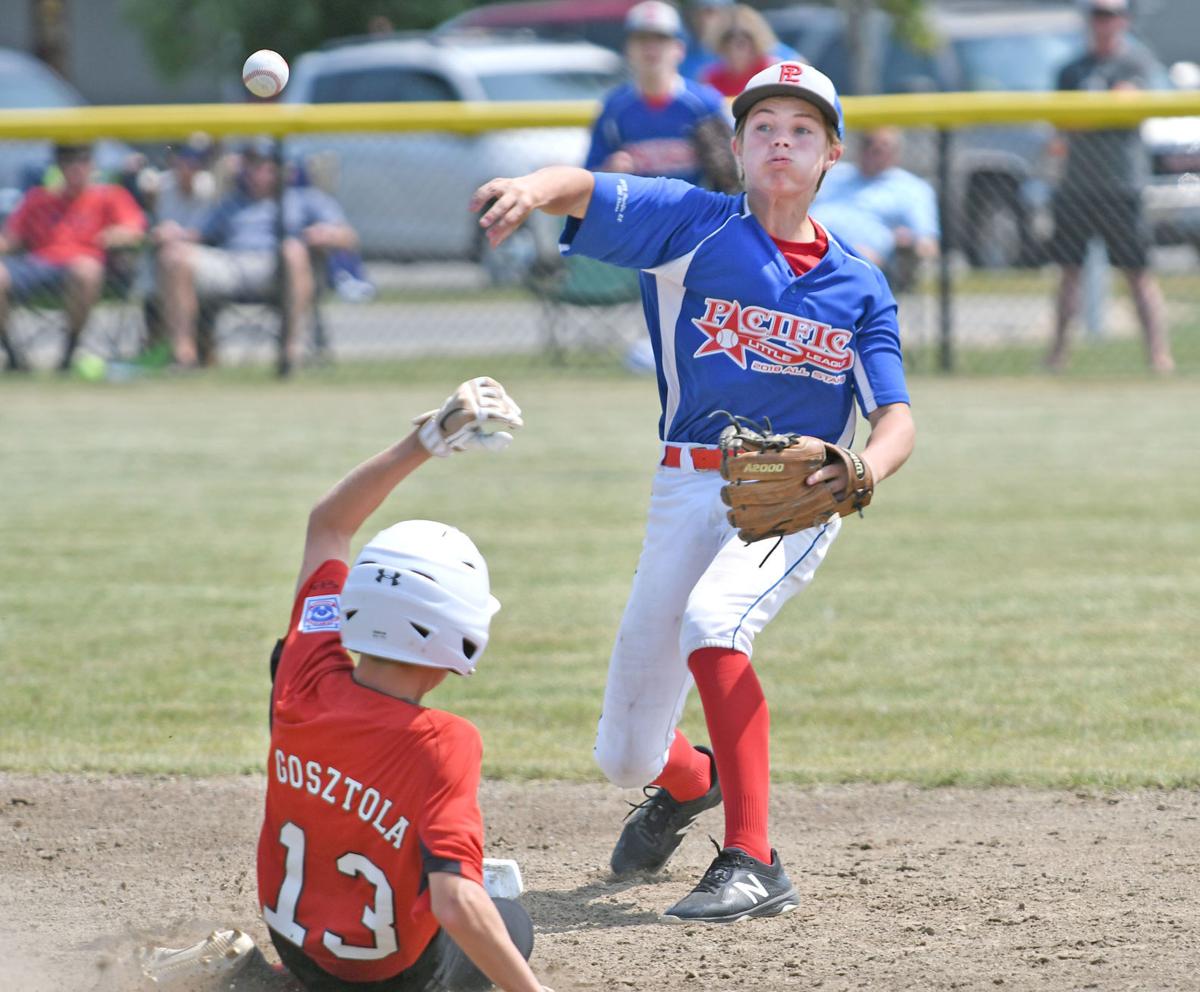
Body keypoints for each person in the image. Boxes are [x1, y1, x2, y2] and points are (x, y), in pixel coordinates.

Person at [471, 61, 915, 923]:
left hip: (795, 498)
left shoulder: (859, 283)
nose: (779, 141)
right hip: (684, 489)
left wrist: (865, 468)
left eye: (800, 129)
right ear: (740, 149)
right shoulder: (695, 225)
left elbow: (894, 415)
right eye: (762, 127)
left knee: (718, 624)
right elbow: (586, 188)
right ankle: (695, 782)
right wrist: (530, 186)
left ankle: (755, 860)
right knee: (626, 755)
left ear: (831, 154)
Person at [138, 377, 553, 992]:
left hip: (299, 943)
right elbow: (455, 905)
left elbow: (328, 525)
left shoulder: (303, 676)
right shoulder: (445, 741)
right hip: (390, 977)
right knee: (508, 919)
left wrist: (426, 440)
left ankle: (274, 975)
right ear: (457, 636)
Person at [1045, 0, 1174, 373]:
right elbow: (1063, 121)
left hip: (1122, 186)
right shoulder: (1071, 70)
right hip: (1076, 186)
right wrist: (1105, 108)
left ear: (1124, 21)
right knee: (1069, 273)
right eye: (1098, 14)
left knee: (1138, 273)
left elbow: (1129, 105)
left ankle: (1159, 356)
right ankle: (1057, 355)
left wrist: (1090, 112)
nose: (1104, 22)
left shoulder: (1135, 63)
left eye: (1111, 14)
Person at [156, 139, 358, 370]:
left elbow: (349, 237)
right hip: (231, 265)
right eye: (251, 164)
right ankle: (185, 356)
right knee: (174, 256)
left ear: (282, 169)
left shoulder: (305, 198)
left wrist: (326, 235)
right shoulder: (231, 202)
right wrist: (175, 234)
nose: (258, 171)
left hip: (275, 270)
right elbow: (199, 235)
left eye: (266, 165)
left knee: (293, 250)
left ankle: (291, 354)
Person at [0, 143, 146, 371]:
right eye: (68, 161)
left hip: (86, 270)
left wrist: (114, 236)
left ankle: (69, 352)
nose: (76, 167)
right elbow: (10, 239)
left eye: (83, 160)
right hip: (37, 266)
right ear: (58, 165)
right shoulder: (37, 198)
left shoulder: (110, 196)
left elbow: (135, 231)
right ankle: (11, 354)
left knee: (86, 269)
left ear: (92, 164)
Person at [586, 0, 737, 193]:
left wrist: (727, 171)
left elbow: (735, 176)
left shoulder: (705, 105)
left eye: (660, 39)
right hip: (636, 217)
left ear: (679, 49)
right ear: (628, 49)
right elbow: (589, 176)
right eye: (642, 39)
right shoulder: (614, 109)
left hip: (696, 216)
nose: (651, 47)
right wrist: (607, 171)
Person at [812, 126, 939, 286]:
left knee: (857, 261)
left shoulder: (911, 188)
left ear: (896, 152)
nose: (873, 150)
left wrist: (909, 241)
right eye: (868, 143)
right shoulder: (833, 175)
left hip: (862, 258)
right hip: (812, 244)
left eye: (882, 146)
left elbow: (928, 245)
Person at [680, 0, 800, 83]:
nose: (707, 19)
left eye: (713, 11)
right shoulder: (686, 54)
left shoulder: (775, 62)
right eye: (702, 13)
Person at [700, 5, 785, 98]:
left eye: (741, 44)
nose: (733, 52)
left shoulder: (772, 71)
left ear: (755, 44)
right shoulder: (711, 78)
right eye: (727, 44)